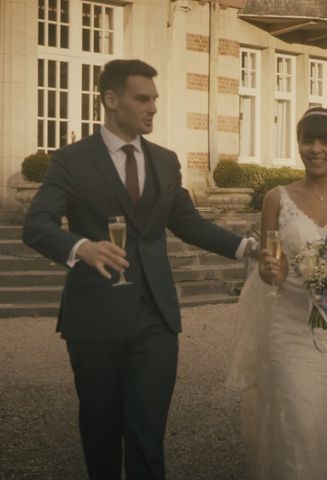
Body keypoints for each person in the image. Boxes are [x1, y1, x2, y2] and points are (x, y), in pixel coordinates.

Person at [23, 59, 255, 480]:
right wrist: (81, 246)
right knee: (101, 431)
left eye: (154, 100)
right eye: (142, 99)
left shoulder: (165, 161)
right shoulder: (71, 161)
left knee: (148, 434)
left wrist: (246, 247)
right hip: (94, 320)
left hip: (156, 318)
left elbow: (187, 222)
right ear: (111, 100)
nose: (152, 108)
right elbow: (36, 226)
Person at [226, 107, 327, 479]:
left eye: (325, 140)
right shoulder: (276, 199)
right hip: (291, 328)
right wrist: (271, 270)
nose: (315, 149)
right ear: (298, 144)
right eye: (307, 140)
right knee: (296, 420)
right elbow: (272, 270)